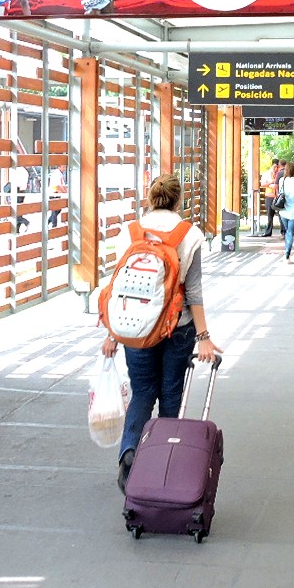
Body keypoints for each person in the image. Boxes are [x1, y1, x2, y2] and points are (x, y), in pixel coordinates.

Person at [102, 173, 222, 492]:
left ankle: (130, 454)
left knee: (142, 392)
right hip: (176, 327)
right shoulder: (189, 234)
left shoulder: (129, 232)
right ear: (179, 200)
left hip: (135, 327)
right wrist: (204, 337)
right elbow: (193, 291)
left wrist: (112, 334)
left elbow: (120, 288)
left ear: (150, 197)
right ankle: (164, 463)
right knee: (171, 394)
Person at [260, 158, 282, 236]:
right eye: (274, 167)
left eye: (277, 167)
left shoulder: (280, 174)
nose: (276, 169)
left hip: (278, 196)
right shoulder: (266, 174)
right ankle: (268, 232)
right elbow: (262, 184)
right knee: (270, 215)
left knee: (281, 214)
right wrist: (271, 182)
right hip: (269, 196)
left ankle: (283, 232)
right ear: (272, 165)